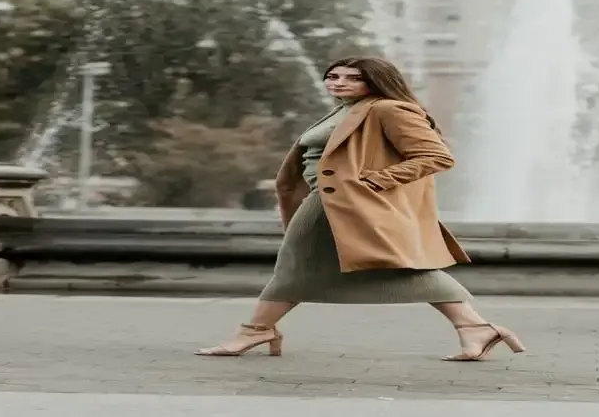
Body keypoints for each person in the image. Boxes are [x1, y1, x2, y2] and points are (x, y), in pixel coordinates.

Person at [195, 56, 525, 361]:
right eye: (333, 76)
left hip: (342, 200)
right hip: (331, 199)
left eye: (353, 78)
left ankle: (256, 330)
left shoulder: (389, 109)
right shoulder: (346, 110)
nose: (339, 82)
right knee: (393, 267)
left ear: (375, 81)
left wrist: (375, 181)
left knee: (295, 264)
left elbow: (437, 156)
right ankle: (474, 327)